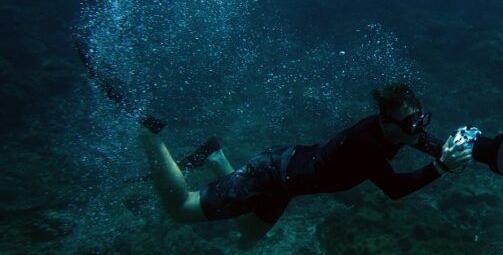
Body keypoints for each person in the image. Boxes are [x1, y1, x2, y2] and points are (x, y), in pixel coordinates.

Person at [137, 83, 473, 243]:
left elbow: (425, 142)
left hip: (285, 180)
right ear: (386, 122)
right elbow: (396, 189)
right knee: (181, 208)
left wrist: (457, 149)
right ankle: (148, 132)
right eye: (411, 125)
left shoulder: (398, 131)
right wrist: (442, 167)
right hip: (269, 176)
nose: (419, 131)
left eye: (421, 120)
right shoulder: (367, 144)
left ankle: (215, 157)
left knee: (249, 233)